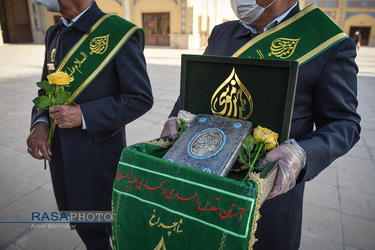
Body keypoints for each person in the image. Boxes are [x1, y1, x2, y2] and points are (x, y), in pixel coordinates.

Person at [161, 0, 361, 249]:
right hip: (207, 184)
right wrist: (174, 117)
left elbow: (344, 122)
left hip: (268, 196)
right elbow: (199, 87)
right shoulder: (222, 33)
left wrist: (302, 154)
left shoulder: (328, 43)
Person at [26, 0, 153, 249]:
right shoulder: (54, 32)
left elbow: (140, 98)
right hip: (59, 152)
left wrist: (84, 114)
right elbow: (46, 87)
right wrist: (39, 122)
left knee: (103, 222)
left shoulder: (119, 32)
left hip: (97, 154)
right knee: (79, 217)